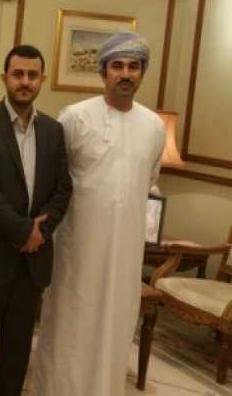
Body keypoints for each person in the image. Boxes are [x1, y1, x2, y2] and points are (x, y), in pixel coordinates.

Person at [33, 32, 165, 396]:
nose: (125, 73)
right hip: (78, 248)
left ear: (142, 73)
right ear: (103, 72)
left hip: (125, 253)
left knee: (115, 325)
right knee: (71, 322)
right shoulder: (75, 117)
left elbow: (149, 179)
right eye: (117, 66)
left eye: (133, 67)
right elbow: (56, 180)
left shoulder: (154, 126)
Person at [0, 45, 72, 396]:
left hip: (31, 265)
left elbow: (63, 189)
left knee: (17, 352)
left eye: (32, 75)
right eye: (18, 74)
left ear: (42, 80)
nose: (25, 81)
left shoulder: (54, 131)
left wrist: (41, 232)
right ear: (4, 77)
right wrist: (24, 231)